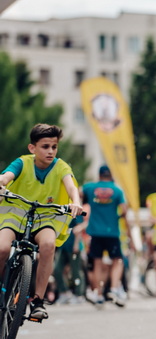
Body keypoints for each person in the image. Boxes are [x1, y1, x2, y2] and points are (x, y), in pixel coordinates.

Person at [0, 124, 83, 320]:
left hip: (45, 217)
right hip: (15, 215)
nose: (50, 151)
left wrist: (76, 202)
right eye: (45, 147)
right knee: (2, 248)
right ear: (32, 148)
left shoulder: (61, 166)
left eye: (54, 147)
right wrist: (1, 182)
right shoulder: (22, 163)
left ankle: (38, 301)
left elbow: (71, 186)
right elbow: (6, 177)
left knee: (48, 245)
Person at [82, 165, 129, 307]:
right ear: (110, 175)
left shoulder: (90, 188)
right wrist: (117, 217)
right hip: (112, 232)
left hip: (95, 232)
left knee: (97, 263)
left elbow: (78, 193)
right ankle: (113, 289)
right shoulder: (117, 190)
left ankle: (98, 294)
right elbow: (124, 210)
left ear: (99, 175)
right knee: (117, 260)